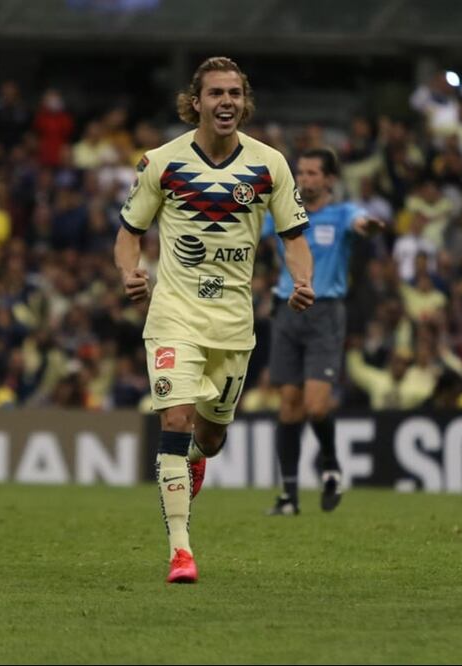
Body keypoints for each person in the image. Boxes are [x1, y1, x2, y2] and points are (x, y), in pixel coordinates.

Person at [114, 56, 314, 584]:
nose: (226, 102)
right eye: (216, 93)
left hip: (232, 325)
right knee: (174, 422)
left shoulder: (269, 164)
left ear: (244, 102)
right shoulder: (161, 161)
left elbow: (293, 237)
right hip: (174, 315)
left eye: (235, 94)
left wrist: (303, 281)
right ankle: (181, 551)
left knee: (212, 437)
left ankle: (198, 457)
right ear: (195, 102)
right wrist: (130, 272)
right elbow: (130, 230)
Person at [261, 147, 383, 516]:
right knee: (288, 406)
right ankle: (288, 497)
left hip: (325, 313)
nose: (305, 179)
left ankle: (330, 467)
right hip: (286, 311)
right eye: (301, 172)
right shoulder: (285, 212)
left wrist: (370, 226)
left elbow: (361, 222)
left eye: (313, 173)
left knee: (315, 405)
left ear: (330, 179)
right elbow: (251, 232)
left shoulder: (342, 214)